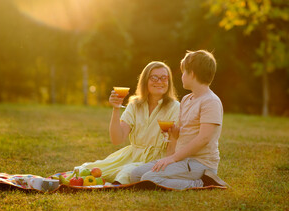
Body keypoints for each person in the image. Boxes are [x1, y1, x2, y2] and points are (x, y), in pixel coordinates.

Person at [130, 50, 229, 189]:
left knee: (149, 179)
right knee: (135, 175)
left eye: (183, 73)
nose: (181, 76)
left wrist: (172, 159)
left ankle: (203, 182)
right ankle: (187, 179)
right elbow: (183, 133)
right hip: (182, 159)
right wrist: (175, 134)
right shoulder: (186, 100)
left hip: (200, 164)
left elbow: (204, 139)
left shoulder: (210, 101)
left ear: (192, 74)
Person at [74, 61, 180, 184]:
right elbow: (117, 139)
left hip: (157, 158)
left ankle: (114, 185)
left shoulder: (175, 107)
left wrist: (166, 164)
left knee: (126, 172)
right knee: (90, 169)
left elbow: (173, 144)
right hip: (131, 155)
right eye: (154, 77)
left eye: (164, 78)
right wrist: (116, 108)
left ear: (169, 82)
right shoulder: (135, 105)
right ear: (145, 81)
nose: (159, 81)